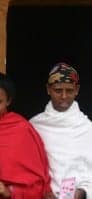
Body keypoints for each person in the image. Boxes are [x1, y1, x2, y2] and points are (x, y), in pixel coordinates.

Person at [30, 62, 92, 199]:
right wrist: (42, 190)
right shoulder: (35, 125)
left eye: (69, 91)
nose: (64, 96)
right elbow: (28, 166)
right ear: (48, 89)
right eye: (58, 90)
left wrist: (83, 191)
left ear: (77, 90)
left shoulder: (87, 128)